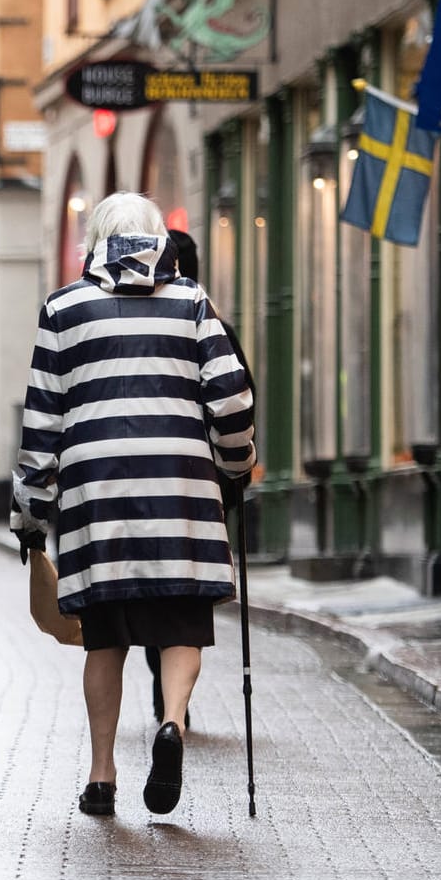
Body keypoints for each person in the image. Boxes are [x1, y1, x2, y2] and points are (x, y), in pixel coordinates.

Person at [11, 193, 255, 819]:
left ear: (96, 240)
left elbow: (42, 419)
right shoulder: (192, 303)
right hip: (182, 491)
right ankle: (171, 723)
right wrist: (234, 464)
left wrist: (30, 511)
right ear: (157, 240)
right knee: (180, 625)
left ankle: (101, 774)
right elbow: (231, 400)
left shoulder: (63, 309)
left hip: (97, 500)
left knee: (105, 638)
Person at [138, 229, 257, 728]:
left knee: (145, 587)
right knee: (184, 595)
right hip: (203, 484)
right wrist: (239, 470)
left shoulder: (143, 324)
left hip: (141, 481)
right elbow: (240, 400)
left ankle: (158, 684)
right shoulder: (214, 326)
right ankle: (174, 710)